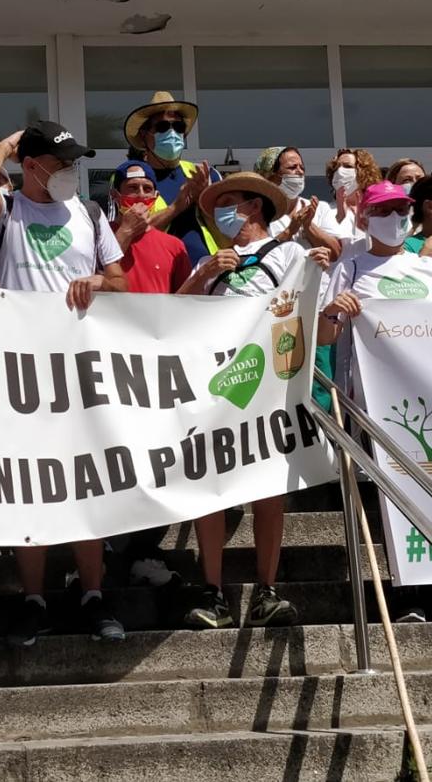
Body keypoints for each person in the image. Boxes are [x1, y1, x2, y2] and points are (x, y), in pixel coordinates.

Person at [0, 120, 129, 647]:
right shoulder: (7, 211)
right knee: (27, 487)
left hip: (80, 368)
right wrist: (10, 142)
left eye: (73, 163)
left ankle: (94, 594)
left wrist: (101, 281)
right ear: (30, 166)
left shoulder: (92, 212)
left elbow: (122, 282)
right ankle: (34, 599)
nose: (70, 172)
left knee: (87, 482)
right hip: (19, 373)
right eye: (60, 163)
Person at [173, 172, 329, 628]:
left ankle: (267, 589)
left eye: (231, 202)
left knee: (268, 490)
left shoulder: (289, 254)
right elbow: (170, 317)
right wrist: (202, 274)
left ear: (255, 207)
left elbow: (306, 313)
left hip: (272, 386)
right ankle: (213, 591)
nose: (222, 211)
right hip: (215, 386)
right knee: (209, 488)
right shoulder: (209, 259)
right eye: (218, 204)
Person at [318, 182, 432, 397]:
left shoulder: (428, 265)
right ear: (364, 220)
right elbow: (324, 338)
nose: (394, 217)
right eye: (384, 211)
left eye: (401, 210)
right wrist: (331, 310)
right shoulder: (350, 268)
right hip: (377, 394)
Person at [123, 91, 220, 259]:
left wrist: (204, 200)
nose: (172, 133)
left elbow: (229, 229)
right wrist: (176, 207)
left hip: (208, 273)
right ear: (144, 135)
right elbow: (130, 233)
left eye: (178, 127)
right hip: (160, 276)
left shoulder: (206, 174)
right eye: (162, 127)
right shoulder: (132, 179)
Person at [110, 160, 192, 295]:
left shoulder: (174, 246)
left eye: (147, 189)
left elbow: (185, 300)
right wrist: (126, 231)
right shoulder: (100, 235)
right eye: (133, 188)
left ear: (156, 196)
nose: (141, 195)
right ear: (115, 195)